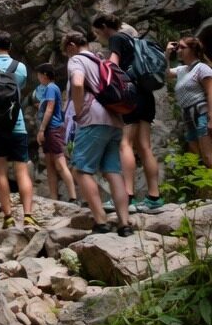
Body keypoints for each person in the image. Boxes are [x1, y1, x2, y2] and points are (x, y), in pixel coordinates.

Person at [60, 32, 133, 236]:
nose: (67, 55)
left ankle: (101, 221)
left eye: (66, 51)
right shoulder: (100, 60)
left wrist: (79, 111)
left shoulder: (77, 60)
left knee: (81, 170)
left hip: (93, 119)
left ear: (72, 45)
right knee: (112, 172)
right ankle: (124, 224)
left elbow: (77, 83)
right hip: (115, 120)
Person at [91, 13, 163, 213]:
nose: (98, 36)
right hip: (146, 94)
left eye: (97, 32)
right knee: (145, 147)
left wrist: (101, 64)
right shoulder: (134, 40)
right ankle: (154, 197)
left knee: (125, 144)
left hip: (131, 95)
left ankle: (127, 196)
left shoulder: (116, 38)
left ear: (104, 27)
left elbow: (113, 66)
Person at [0, 31, 38, 229]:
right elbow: (18, 92)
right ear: (9, 47)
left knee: (0, 170)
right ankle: (28, 216)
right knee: (22, 170)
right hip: (16, 124)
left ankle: (8, 218)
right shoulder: (20, 68)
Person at [34, 63, 77, 202]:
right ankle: (53, 198)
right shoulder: (50, 88)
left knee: (60, 163)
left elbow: (50, 108)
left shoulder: (51, 88)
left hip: (53, 129)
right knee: (50, 164)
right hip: (49, 130)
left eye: (39, 75)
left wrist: (41, 129)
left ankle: (73, 196)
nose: (38, 77)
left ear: (45, 75)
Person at [167, 37, 212, 167]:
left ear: (192, 50)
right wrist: (167, 55)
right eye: (178, 47)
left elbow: (210, 92)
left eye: (182, 47)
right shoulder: (182, 70)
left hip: (201, 114)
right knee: (196, 159)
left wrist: (211, 117)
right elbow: (166, 73)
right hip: (187, 116)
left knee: (208, 157)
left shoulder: (201, 68)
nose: (178, 50)